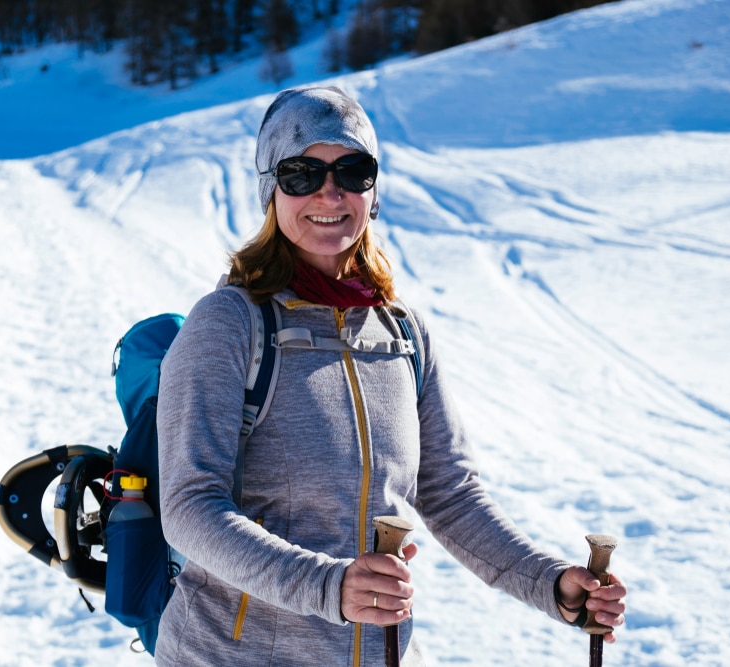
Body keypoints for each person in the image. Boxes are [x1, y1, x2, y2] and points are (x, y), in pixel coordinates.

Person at [155, 86, 627, 666]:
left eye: (352, 170)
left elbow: (450, 495)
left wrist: (550, 584)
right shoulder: (229, 323)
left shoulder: (403, 333)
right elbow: (189, 506)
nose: (329, 192)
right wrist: (329, 586)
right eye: (302, 172)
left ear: (372, 192)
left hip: (380, 653)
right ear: (270, 190)